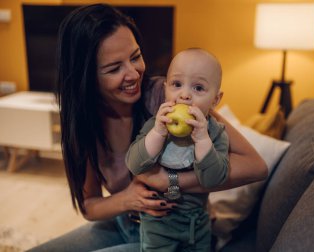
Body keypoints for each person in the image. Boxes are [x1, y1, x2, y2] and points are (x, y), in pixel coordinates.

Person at [28, 3, 267, 252]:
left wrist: (171, 181)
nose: (133, 73)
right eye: (114, 68)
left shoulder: (169, 96)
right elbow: (89, 204)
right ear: (86, 76)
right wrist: (127, 199)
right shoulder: (81, 121)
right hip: (124, 222)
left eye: (135, 57)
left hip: (177, 233)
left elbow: (255, 166)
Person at [126, 48, 228, 251]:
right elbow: (134, 164)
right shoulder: (157, 125)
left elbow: (214, 179)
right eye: (176, 84)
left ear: (216, 100)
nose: (184, 95)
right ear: (165, 90)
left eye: (198, 88)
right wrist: (157, 134)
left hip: (197, 224)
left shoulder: (215, 134)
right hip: (158, 224)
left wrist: (202, 140)